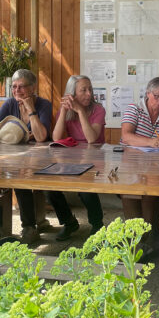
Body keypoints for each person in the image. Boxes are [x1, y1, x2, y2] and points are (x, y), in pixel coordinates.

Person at [0, 69, 52, 244]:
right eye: (14, 87)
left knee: (21, 180)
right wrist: (14, 135)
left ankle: (29, 227)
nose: (17, 91)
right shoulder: (9, 104)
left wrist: (31, 110)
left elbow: (41, 137)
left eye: (22, 87)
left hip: (36, 158)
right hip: (8, 156)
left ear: (33, 87)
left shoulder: (44, 104)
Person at [48, 75, 106, 240]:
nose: (89, 94)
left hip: (95, 157)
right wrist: (64, 110)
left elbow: (92, 139)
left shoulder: (98, 109)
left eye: (90, 90)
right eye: (83, 90)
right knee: (49, 188)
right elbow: (56, 138)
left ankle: (97, 225)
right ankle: (69, 222)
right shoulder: (66, 110)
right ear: (72, 94)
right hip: (71, 157)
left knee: (85, 189)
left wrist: (80, 111)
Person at [120, 77, 159, 239]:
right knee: (130, 192)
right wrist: (151, 142)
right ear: (147, 93)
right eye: (156, 96)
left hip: (156, 167)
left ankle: (150, 238)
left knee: (151, 194)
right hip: (130, 165)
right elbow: (126, 137)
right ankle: (135, 240)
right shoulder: (134, 109)